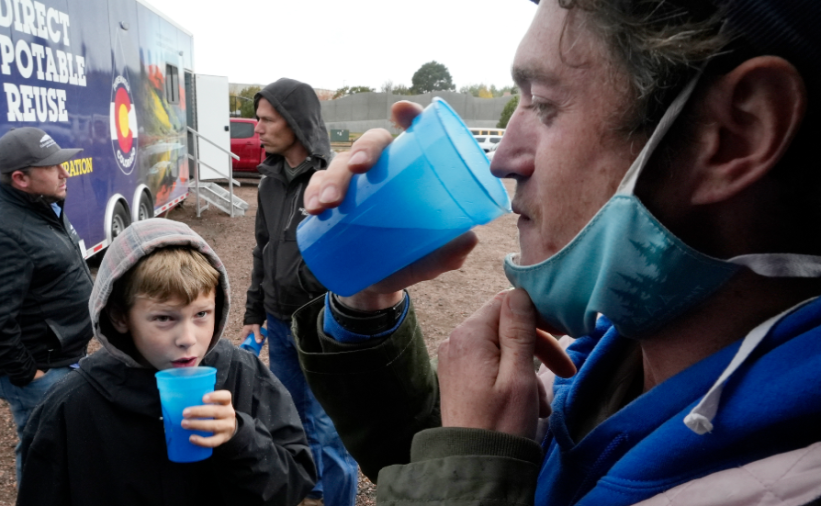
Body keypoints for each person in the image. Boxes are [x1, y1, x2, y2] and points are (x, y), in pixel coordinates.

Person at [292, 0, 821, 505]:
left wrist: (474, 467)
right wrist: (370, 299)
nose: (502, 159)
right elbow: (447, 459)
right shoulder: (601, 347)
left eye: (544, 105)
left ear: (734, 134)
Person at [16, 219, 316, 506]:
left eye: (201, 314)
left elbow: (293, 485)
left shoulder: (244, 375)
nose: (187, 338)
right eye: (163, 318)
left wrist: (240, 436)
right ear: (120, 317)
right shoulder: (72, 405)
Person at [240, 78, 359, 506]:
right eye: (257, 118)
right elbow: (263, 248)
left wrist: (312, 291)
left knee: (327, 429)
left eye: (266, 119)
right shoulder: (270, 180)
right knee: (290, 418)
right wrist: (255, 310)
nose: (258, 127)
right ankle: (311, 493)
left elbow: (351, 254)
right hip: (277, 319)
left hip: (320, 323)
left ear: (294, 122)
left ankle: (338, 498)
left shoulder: (334, 179)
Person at [0, 127, 93, 483]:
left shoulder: (42, 208)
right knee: (43, 451)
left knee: (63, 445)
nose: (65, 173)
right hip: (39, 367)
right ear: (20, 178)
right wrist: (30, 375)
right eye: (53, 167)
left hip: (60, 357)